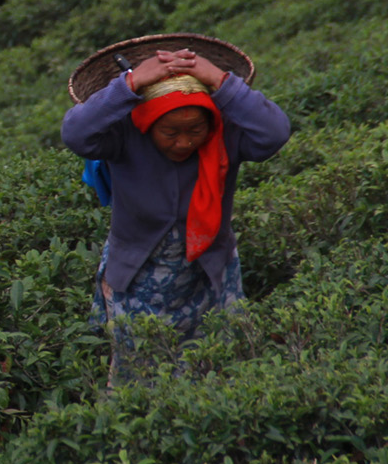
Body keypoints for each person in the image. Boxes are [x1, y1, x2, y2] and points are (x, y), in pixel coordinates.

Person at [60, 47, 290, 381]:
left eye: (194, 130)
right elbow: (75, 133)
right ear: (148, 124)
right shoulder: (124, 136)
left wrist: (220, 81)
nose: (183, 142)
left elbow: (275, 132)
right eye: (170, 133)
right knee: (139, 371)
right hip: (138, 274)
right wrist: (132, 82)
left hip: (210, 270)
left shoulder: (225, 133)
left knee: (219, 366)